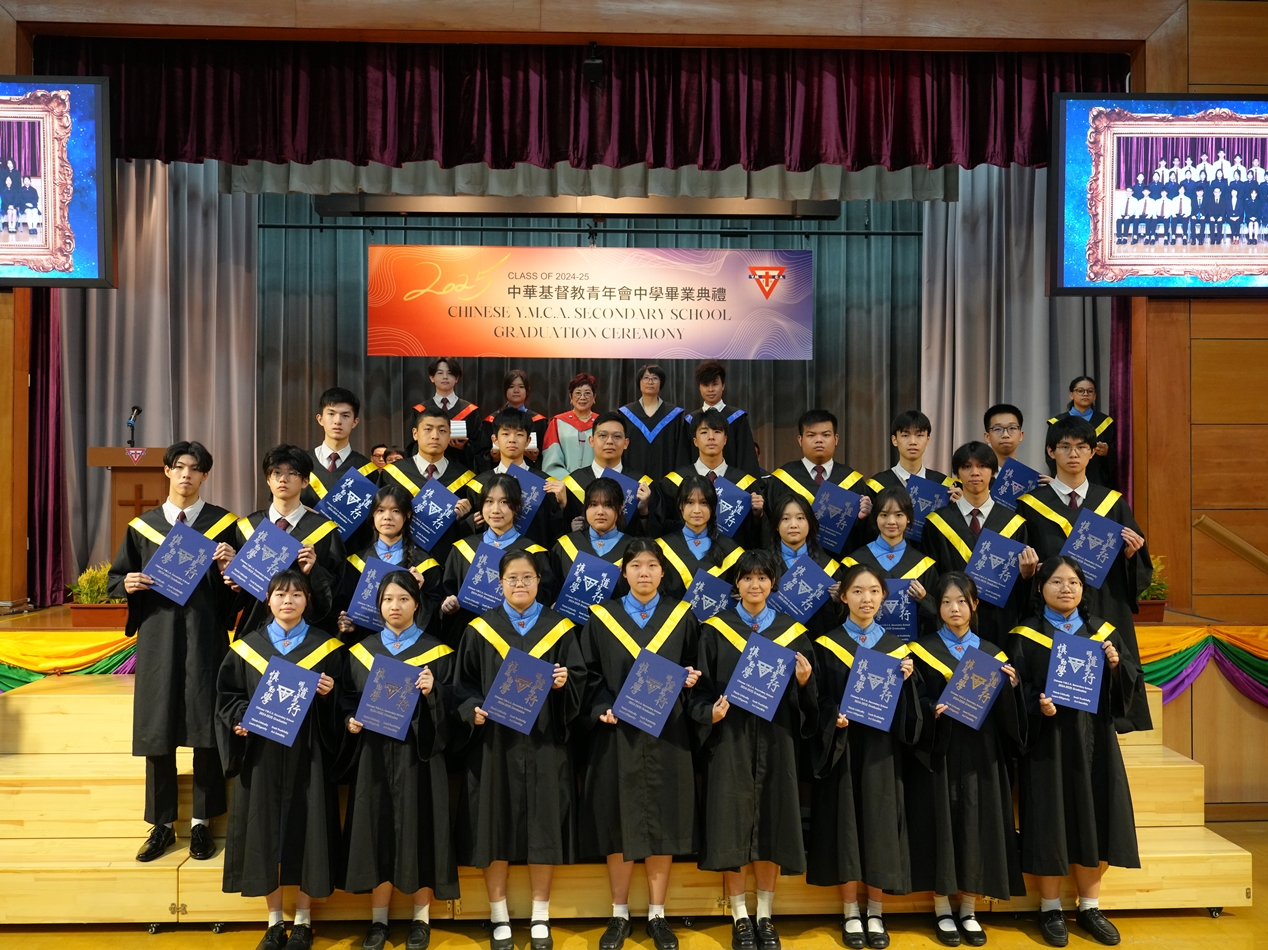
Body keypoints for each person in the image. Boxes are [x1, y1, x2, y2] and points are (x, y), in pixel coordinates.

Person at [107, 440, 239, 863]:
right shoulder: (142, 527)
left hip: (205, 638)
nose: (186, 474)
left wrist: (230, 568)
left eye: (195, 468)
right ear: (166, 471)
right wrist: (127, 584)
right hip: (159, 639)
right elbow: (115, 579)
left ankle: (202, 822)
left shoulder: (223, 526)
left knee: (205, 727)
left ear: (205, 475)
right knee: (158, 729)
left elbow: (236, 594)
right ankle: (161, 824)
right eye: (179, 466)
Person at [453, 550, 586, 950]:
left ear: (539, 582)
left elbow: (579, 681)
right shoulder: (480, 630)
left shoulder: (558, 629)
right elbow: (462, 687)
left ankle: (540, 915)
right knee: (492, 826)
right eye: (512, 578)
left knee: (544, 825)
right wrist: (471, 711)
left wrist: (564, 684)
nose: (520, 584)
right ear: (500, 584)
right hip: (495, 745)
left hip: (544, 743)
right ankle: (499, 916)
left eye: (527, 577)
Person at [1008, 557, 1142, 948]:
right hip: (1047, 742)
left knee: (1094, 815)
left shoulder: (1103, 633)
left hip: (1094, 740)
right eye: (1056, 581)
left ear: (1083, 589)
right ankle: (1049, 907)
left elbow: (1129, 686)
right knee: (1049, 819)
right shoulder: (1025, 634)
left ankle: (1090, 907)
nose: (1065, 588)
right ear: (1040, 588)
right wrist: (1037, 704)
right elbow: (1016, 690)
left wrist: (1116, 667)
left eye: (1073, 583)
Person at [689, 549, 817, 950]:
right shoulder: (715, 631)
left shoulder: (792, 632)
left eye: (762, 578)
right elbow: (699, 693)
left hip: (777, 740)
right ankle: (740, 917)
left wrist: (804, 682)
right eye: (747, 578)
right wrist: (709, 712)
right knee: (731, 827)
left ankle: (765, 915)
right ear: (737, 584)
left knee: (772, 826)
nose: (755, 584)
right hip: (731, 741)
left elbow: (811, 701)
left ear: (773, 583)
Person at [215, 570, 346, 950]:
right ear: (268, 600)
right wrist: (240, 719)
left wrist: (329, 695)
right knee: (264, 832)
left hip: (309, 754)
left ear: (308, 600)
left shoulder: (327, 648)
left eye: (296, 594)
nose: (288, 601)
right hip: (262, 755)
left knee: (310, 830)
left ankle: (303, 921)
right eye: (280, 594)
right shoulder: (246, 648)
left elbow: (345, 704)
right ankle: (274, 922)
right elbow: (228, 697)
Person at [579, 539, 700, 950]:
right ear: (624, 571)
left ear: (663, 572)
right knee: (618, 821)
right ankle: (619, 914)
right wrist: (601, 707)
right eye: (635, 565)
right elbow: (588, 675)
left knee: (663, 821)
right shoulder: (602, 617)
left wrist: (691, 680)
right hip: (618, 735)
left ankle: (657, 915)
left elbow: (697, 669)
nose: (644, 572)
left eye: (651, 565)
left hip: (668, 733)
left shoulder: (682, 616)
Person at [339, 570, 459, 950]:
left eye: (403, 599)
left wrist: (434, 692)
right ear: (378, 605)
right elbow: (346, 701)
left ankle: (421, 919)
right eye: (388, 599)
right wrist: (350, 720)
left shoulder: (437, 653)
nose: (395, 606)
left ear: (416, 605)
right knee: (377, 832)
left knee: (421, 830)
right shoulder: (360, 653)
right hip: (373, 758)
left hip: (418, 759)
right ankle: (379, 921)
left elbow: (454, 708)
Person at [907, 574, 1027, 947]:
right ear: (937, 607)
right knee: (940, 823)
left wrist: (1011, 689)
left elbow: (1010, 720)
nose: (954, 608)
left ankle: (970, 909)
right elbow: (913, 702)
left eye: (961, 601)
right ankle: (942, 907)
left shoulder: (993, 654)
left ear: (975, 605)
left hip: (982, 752)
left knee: (978, 824)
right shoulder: (921, 650)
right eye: (946, 602)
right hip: (940, 751)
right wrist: (931, 710)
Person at [807, 563, 920, 950]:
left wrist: (907, 682)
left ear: (884, 597)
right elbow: (818, 700)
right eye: (857, 591)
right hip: (843, 748)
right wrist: (832, 718)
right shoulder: (827, 644)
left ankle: (876, 911)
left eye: (873, 591)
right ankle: (850, 912)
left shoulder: (897, 649)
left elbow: (910, 715)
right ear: (843, 597)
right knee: (846, 827)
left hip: (881, 752)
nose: (866, 598)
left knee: (879, 825)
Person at [1018, 417, 1151, 733]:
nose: (1073, 454)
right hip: (1051, 614)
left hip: (1102, 604)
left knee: (1103, 693)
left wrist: (1131, 556)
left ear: (1093, 452)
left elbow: (1139, 569)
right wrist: (1027, 571)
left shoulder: (1112, 504)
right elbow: (1021, 563)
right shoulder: (1030, 505)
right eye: (1065, 446)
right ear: (1051, 451)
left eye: (1081, 447)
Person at [921, 442, 1039, 642]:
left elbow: (1021, 592)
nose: (975, 472)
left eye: (982, 466)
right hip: (953, 621)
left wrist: (1028, 575)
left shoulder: (1013, 523)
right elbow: (932, 581)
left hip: (999, 621)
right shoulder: (937, 523)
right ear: (957, 473)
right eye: (967, 466)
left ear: (993, 472)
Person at [230, 445, 346, 636]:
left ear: (305, 481)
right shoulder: (248, 527)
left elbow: (339, 587)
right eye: (276, 473)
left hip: (307, 632)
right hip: (255, 627)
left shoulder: (324, 530)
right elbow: (232, 597)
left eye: (292, 473)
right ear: (268, 479)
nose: (283, 479)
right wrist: (235, 583)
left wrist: (313, 571)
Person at [440, 474, 556, 639]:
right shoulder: (462, 550)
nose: (495, 510)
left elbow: (544, 598)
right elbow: (446, 592)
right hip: (472, 638)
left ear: (517, 505)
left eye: (504, 502)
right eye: (489, 501)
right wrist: (448, 606)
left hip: (518, 637)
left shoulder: (533, 553)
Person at [336, 485, 444, 642]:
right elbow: (344, 607)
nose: (387, 517)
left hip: (410, 644)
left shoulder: (424, 565)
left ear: (407, 515)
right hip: (368, 644)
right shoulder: (355, 562)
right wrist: (348, 624)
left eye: (396, 511)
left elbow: (436, 619)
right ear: (373, 515)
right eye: (380, 510)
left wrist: (418, 592)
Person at [380, 405, 476, 568]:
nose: (435, 436)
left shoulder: (465, 478)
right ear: (415, 434)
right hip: (402, 561)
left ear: (449, 435)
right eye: (428, 429)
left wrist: (464, 518)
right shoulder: (392, 474)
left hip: (447, 560)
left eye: (442, 431)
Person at [767, 409, 874, 553]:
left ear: (836, 439)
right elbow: (768, 525)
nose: (819, 440)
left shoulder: (853, 481)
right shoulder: (781, 480)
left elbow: (865, 536)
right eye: (811, 435)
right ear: (800, 440)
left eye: (826, 435)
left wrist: (864, 518)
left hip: (841, 562)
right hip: (793, 561)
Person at [660, 409, 765, 549]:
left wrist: (757, 515)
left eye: (717, 431)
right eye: (704, 432)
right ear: (695, 441)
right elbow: (663, 528)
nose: (711, 437)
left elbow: (755, 537)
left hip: (731, 557)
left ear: (725, 440)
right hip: (687, 556)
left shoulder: (744, 484)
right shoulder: (673, 483)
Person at [466, 408, 567, 549]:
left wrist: (562, 505)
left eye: (519, 434)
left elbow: (553, 533)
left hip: (532, 558)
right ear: (495, 440)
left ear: (528, 441)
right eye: (505, 434)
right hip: (492, 556)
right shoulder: (479, 485)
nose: (512, 440)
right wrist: (470, 523)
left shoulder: (544, 484)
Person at [548, 409, 658, 536]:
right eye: (602, 435)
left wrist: (644, 511)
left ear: (626, 443)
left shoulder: (641, 485)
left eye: (617, 436)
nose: (609, 441)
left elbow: (654, 534)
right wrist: (567, 521)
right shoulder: (572, 484)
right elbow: (557, 535)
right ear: (591, 441)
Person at [845, 487, 939, 634]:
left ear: (908, 518)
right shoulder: (855, 561)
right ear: (875, 518)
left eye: (899, 515)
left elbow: (939, 615)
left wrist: (925, 599)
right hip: (865, 643)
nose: (891, 521)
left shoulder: (923, 565)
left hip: (911, 645)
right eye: (884, 515)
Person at [301, 387, 378, 553]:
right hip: (304, 553)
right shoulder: (301, 463)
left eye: (345, 415)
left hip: (351, 555)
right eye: (331, 413)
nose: (337, 421)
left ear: (355, 422)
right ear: (320, 419)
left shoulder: (367, 470)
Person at [655, 473, 745, 601]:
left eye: (703, 503)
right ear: (680, 505)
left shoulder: (730, 549)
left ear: (712, 507)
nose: (697, 510)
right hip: (674, 614)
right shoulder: (661, 548)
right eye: (690, 502)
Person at [767, 494, 845, 638]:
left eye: (800, 518)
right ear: (776, 526)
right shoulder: (764, 564)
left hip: (817, 640)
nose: (793, 525)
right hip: (774, 640)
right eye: (785, 519)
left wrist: (841, 600)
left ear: (810, 523)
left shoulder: (828, 567)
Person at [550, 477, 635, 589]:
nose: (600, 512)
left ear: (620, 507)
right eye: (593, 505)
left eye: (608, 505)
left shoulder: (634, 549)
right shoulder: (565, 546)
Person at [683, 359, 760, 474]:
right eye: (705, 385)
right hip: (697, 482)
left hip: (732, 481)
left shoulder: (738, 418)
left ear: (723, 385)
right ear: (699, 387)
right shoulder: (690, 421)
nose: (710, 390)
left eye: (715, 384)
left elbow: (746, 457)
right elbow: (685, 459)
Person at [619, 363, 689, 480]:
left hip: (666, 480)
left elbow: (680, 453)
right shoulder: (626, 414)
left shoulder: (673, 414)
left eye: (655, 378)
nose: (650, 382)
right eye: (646, 378)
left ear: (661, 382)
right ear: (639, 382)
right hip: (632, 480)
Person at [1045, 376, 1116, 491]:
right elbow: (1050, 455)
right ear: (1071, 394)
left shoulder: (1105, 422)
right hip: (1065, 481)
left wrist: (1107, 452)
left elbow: (1116, 455)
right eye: (1080, 391)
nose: (1085, 394)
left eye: (1090, 391)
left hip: (1097, 479)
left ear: (1095, 395)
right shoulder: (1057, 422)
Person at [410, 357, 480, 469]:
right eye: (440, 373)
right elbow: (412, 446)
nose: (445, 377)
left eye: (450, 373)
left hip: (461, 468)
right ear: (432, 378)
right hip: (428, 469)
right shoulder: (420, 411)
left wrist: (464, 447)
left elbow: (479, 446)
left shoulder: (470, 411)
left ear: (457, 378)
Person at [868, 410, 956, 495]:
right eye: (905, 435)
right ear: (894, 440)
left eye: (919, 435)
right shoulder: (877, 486)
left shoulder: (942, 485)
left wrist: (959, 503)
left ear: (928, 439)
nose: (913, 442)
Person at [478, 368, 549, 471]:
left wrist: (535, 458)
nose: (516, 390)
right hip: (499, 474)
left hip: (528, 474)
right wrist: (493, 458)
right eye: (511, 387)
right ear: (505, 390)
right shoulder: (491, 421)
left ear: (527, 390)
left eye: (521, 387)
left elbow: (547, 455)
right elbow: (481, 454)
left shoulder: (539, 422)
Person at [542, 372, 599, 480]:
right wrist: (571, 482)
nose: (582, 397)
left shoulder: (602, 423)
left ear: (594, 397)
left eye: (587, 393)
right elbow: (551, 460)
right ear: (571, 396)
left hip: (597, 484)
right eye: (578, 393)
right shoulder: (557, 422)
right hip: (564, 483)